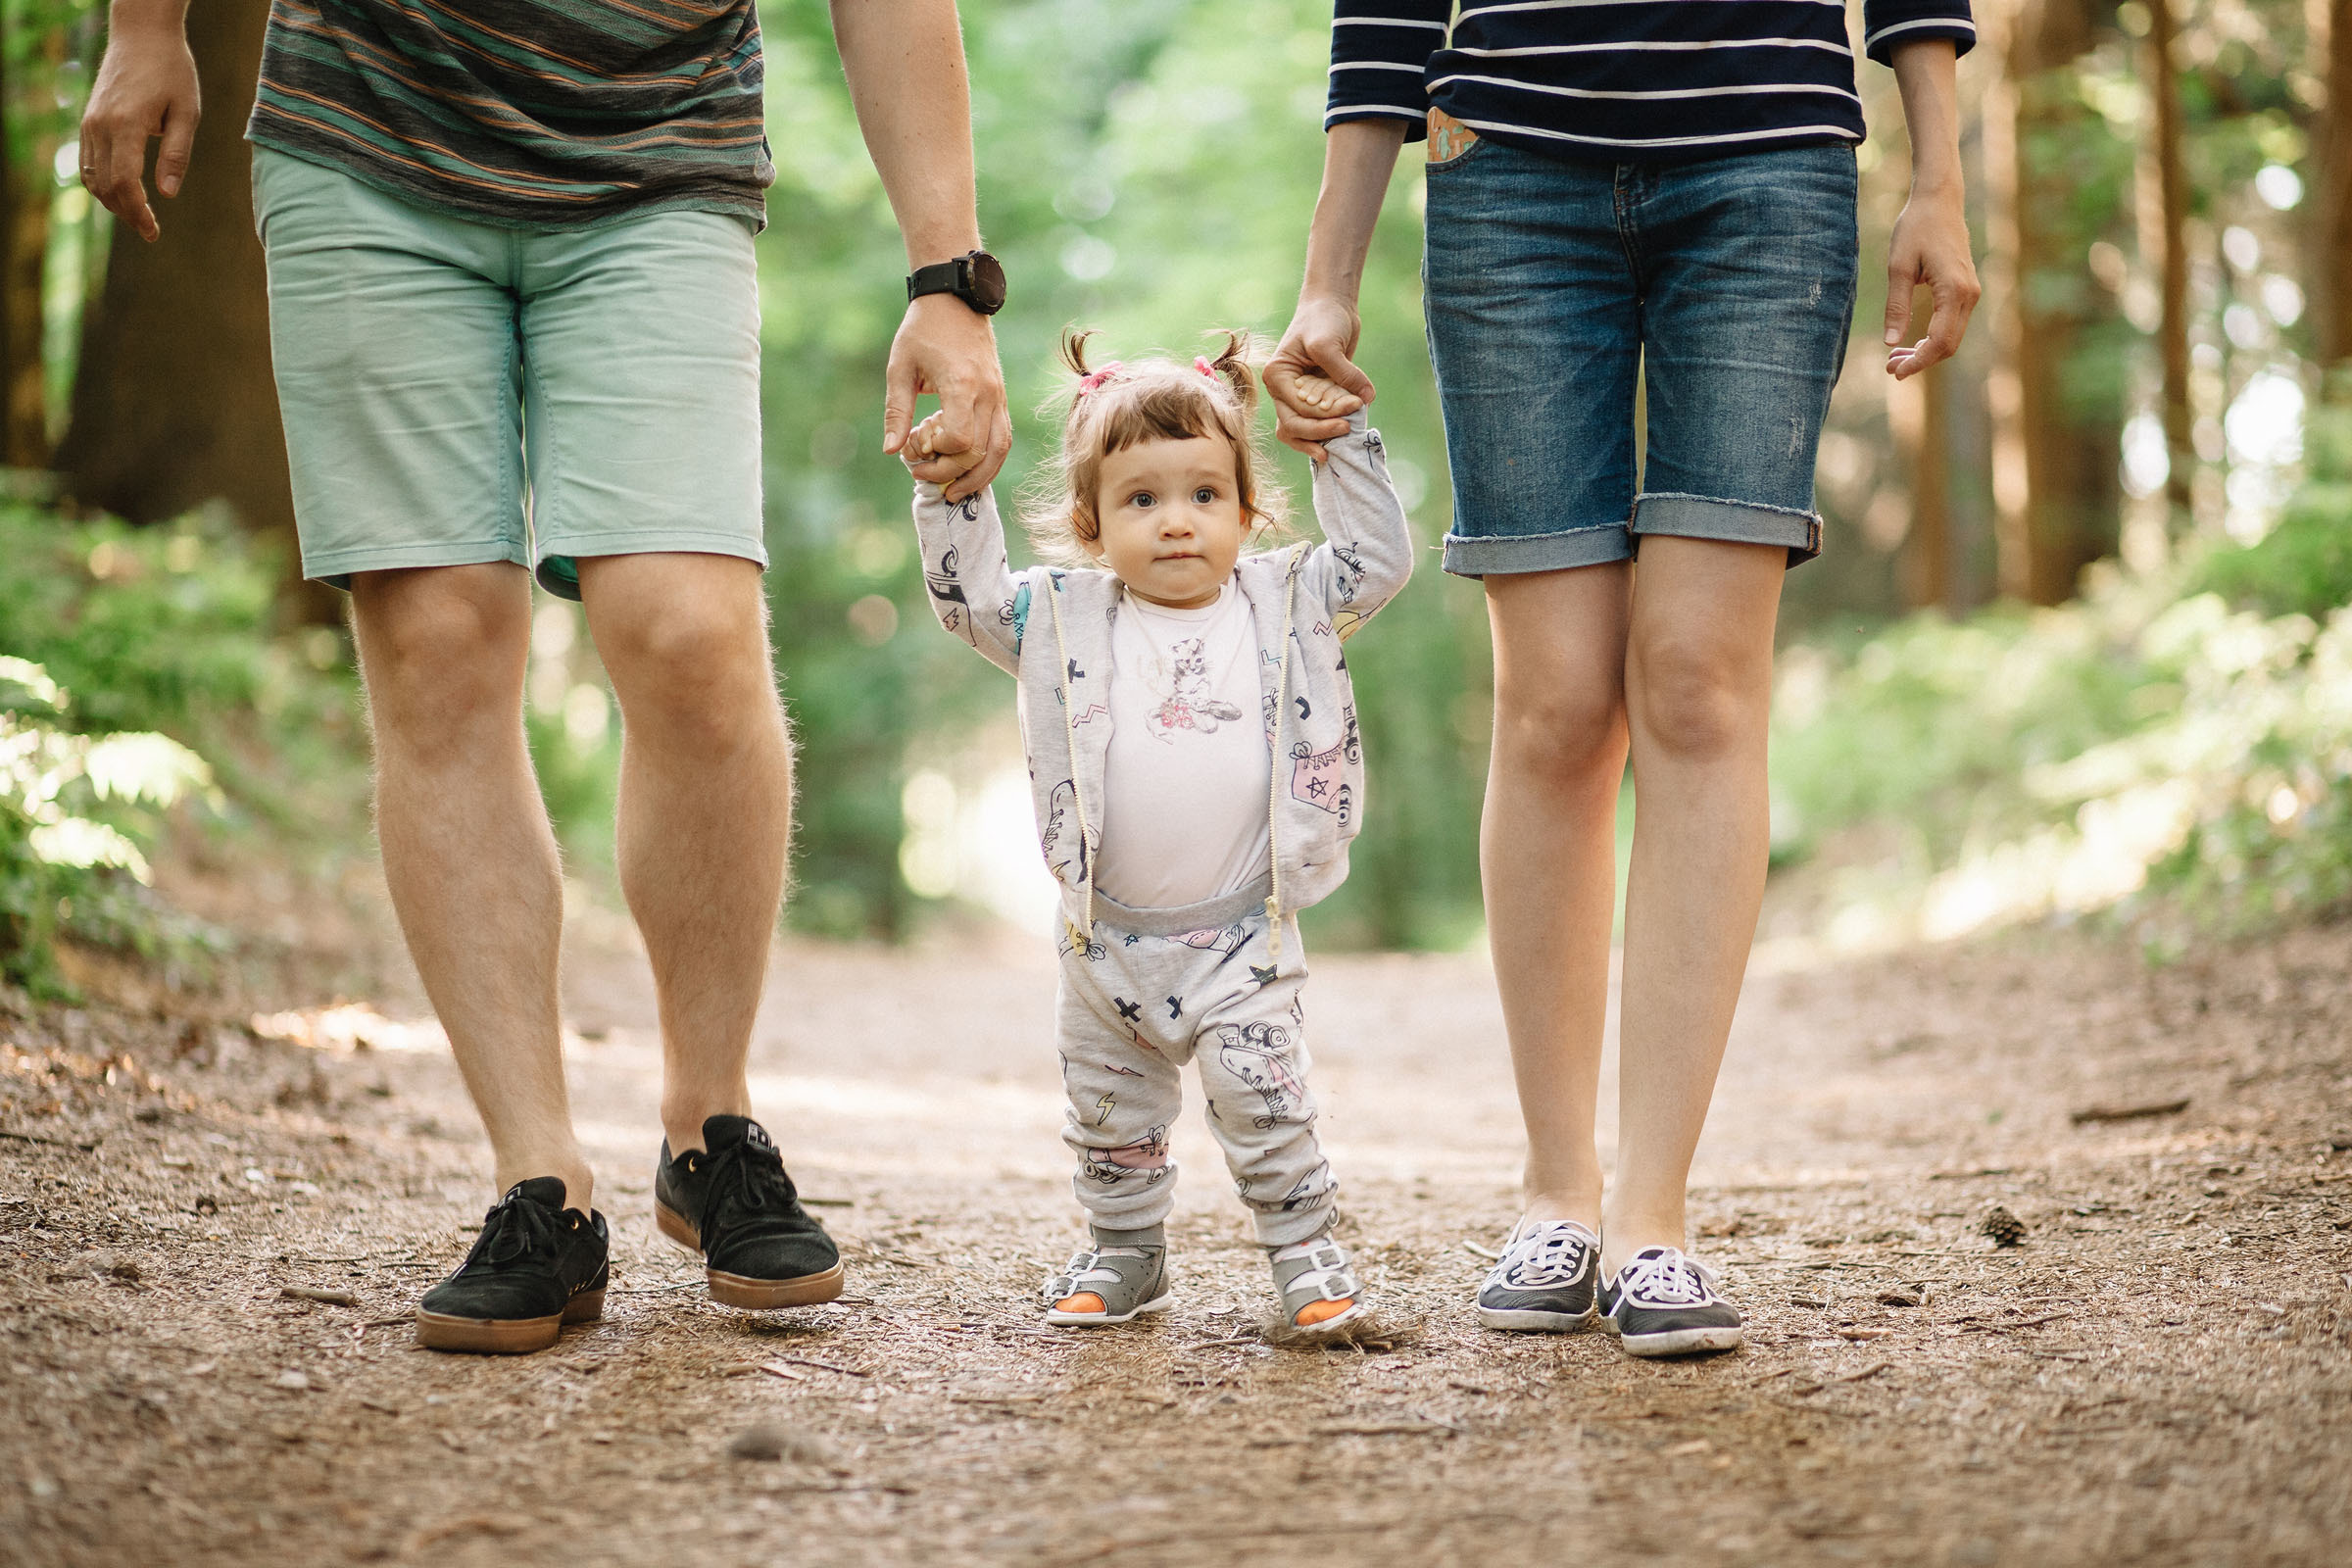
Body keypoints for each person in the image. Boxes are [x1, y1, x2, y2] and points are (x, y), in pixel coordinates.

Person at [77, 0, 1012, 1353]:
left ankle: (712, 1124)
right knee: (437, 642)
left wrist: (949, 277)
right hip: (366, 133)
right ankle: (539, 1180)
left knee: (690, 632)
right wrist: (145, 27)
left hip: (660, 154)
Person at [1265, 1, 1982, 1355]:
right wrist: (1328, 273)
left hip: (1769, 159)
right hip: (1508, 167)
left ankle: (1657, 1219)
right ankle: (1556, 1195)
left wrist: (1937, 176)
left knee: (1701, 683)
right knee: (1555, 707)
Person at [906, 334, 1410, 1332]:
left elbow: (1379, 561)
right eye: (1142, 500)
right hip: (1106, 941)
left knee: (1266, 1101)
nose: (1176, 522)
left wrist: (1337, 442)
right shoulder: (1061, 619)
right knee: (1109, 1117)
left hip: (1241, 936)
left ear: (1245, 509)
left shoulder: (1288, 600)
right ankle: (1125, 1251)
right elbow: (966, 600)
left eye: (1203, 495)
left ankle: (1306, 1252)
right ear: (1092, 522)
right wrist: (951, 492)